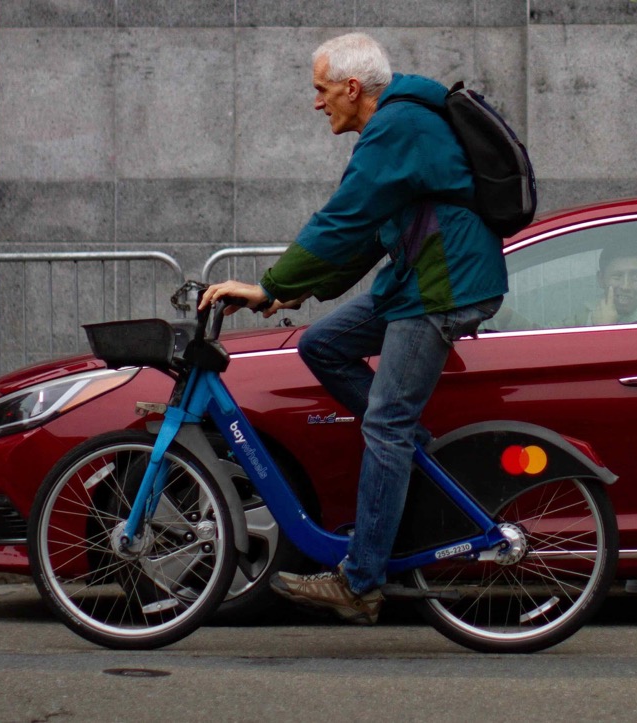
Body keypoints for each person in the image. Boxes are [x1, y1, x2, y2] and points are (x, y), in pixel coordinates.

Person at [198, 32, 506, 624]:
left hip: (443, 288)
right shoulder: (399, 125)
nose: (317, 103)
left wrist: (269, 283)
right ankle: (406, 448)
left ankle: (361, 582)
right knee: (323, 344)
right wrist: (292, 290)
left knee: (384, 424)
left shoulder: (398, 126)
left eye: (321, 89)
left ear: (352, 87)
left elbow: (343, 217)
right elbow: (367, 232)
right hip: (419, 280)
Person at [500, 240, 637, 332]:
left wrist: (605, 331)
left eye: (636, 276)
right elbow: (543, 338)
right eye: (617, 276)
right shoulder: (592, 314)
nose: (626, 286)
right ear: (601, 279)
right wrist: (506, 316)